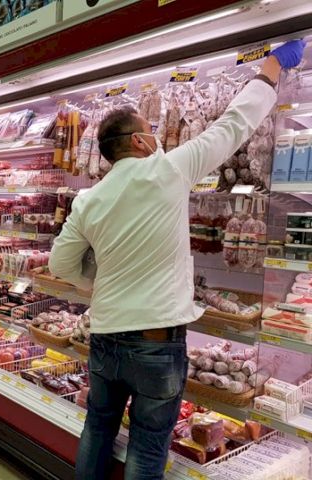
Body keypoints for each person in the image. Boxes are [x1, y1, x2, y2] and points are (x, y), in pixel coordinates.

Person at [48, 40, 306, 480]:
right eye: (150, 129)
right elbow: (233, 125)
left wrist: (100, 278)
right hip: (157, 342)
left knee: (98, 427)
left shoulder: (89, 199)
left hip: (106, 336)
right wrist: (271, 69)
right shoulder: (168, 170)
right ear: (139, 141)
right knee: (148, 446)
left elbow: (60, 265)